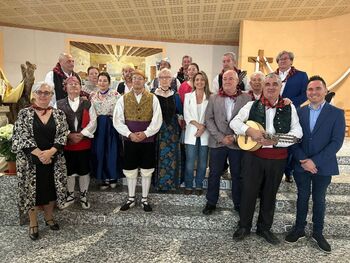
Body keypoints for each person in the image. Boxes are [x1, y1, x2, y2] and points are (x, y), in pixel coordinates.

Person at [230, 73, 303, 245]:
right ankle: (244, 226)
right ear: (263, 86)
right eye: (267, 84)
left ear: (280, 87)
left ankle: (264, 228)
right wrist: (249, 131)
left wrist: (276, 139)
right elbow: (234, 123)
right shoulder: (251, 105)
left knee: (270, 195)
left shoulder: (289, 108)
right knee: (248, 192)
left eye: (275, 84)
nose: (271, 87)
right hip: (253, 158)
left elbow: (297, 133)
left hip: (277, 159)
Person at [285, 76, 345, 253]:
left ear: (325, 91)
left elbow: (336, 142)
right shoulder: (299, 112)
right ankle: (299, 229)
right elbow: (293, 139)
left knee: (319, 199)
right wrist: (304, 160)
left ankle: (318, 233)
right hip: (301, 165)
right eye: (310, 89)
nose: (314, 92)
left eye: (318, 88)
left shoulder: (336, 113)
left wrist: (314, 161)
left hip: (323, 165)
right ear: (306, 93)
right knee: (302, 197)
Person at [12, 82, 69, 240]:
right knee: (32, 192)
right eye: (40, 92)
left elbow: (63, 134)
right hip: (30, 160)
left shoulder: (59, 114)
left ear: (51, 96)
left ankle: (49, 217)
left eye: (47, 93)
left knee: (51, 189)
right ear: (34, 94)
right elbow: (21, 136)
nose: (43, 95)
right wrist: (40, 155)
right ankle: (33, 223)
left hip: (54, 159)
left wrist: (50, 153)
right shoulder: (24, 113)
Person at [202, 70, 251, 215]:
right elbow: (208, 119)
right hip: (218, 142)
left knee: (237, 174)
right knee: (214, 174)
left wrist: (235, 137)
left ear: (237, 81)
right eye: (225, 78)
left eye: (231, 78)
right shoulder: (213, 98)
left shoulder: (247, 98)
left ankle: (238, 203)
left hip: (238, 143)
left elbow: (250, 121)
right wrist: (221, 137)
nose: (227, 81)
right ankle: (211, 202)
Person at [113, 69, 162, 212]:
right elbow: (117, 120)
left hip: (147, 140)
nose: (137, 81)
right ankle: (131, 198)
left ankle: (145, 199)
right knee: (130, 169)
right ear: (131, 80)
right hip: (130, 140)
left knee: (147, 170)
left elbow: (157, 119)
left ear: (145, 80)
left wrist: (146, 133)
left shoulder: (153, 98)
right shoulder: (123, 98)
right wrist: (129, 134)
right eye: (134, 78)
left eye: (140, 78)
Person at [57, 76, 97, 209]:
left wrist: (82, 134)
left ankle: (84, 195)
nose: (74, 86)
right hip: (67, 143)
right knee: (69, 170)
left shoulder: (87, 103)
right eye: (71, 84)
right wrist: (69, 134)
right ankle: (70, 195)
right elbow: (57, 122)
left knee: (84, 170)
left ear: (81, 87)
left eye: (77, 84)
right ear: (65, 87)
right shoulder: (59, 104)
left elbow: (93, 121)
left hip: (83, 142)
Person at [275, 50, 308, 182]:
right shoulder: (272, 75)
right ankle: (276, 168)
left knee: (289, 140)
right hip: (274, 112)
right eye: (280, 59)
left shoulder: (300, 75)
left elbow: (305, 94)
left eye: (285, 59)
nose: (282, 61)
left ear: (291, 61)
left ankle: (289, 170)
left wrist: (291, 102)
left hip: (292, 111)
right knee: (275, 139)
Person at [90, 72, 121, 189]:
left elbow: (120, 111)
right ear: (97, 82)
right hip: (98, 127)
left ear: (109, 82)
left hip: (111, 125)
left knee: (112, 151)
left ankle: (113, 177)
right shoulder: (93, 96)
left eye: (105, 80)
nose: (102, 83)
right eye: (100, 80)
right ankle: (103, 178)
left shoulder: (116, 94)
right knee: (100, 151)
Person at [153, 68, 182, 191]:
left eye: (167, 77)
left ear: (171, 79)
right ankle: (159, 184)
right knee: (159, 156)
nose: (165, 79)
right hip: (158, 130)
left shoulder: (176, 95)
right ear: (158, 79)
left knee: (172, 157)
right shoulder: (153, 94)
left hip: (172, 131)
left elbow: (180, 112)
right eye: (162, 77)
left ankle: (172, 183)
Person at [183, 71, 211, 195]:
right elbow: (186, 115)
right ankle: (189, 184)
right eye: (197, 80)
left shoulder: (211, 97)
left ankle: (199, 184)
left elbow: (211, 115)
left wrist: (203, 127)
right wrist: (198, 126)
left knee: (203, 162)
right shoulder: (188, 96)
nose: (199, 82)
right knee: (190, 161)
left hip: (205, 133)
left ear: (205, 82)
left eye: (202, 80)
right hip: (192, 132)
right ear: (194, 82)